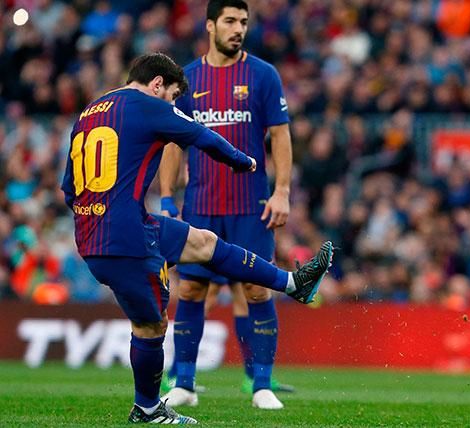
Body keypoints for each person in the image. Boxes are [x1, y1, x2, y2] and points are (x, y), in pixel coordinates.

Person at [60, 52, 333, 424]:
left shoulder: (90, 112)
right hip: (124, 240)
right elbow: (202, 135)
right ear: (157, 84)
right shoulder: (148, 105)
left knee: (203, 242)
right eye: (173, 96)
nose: (173, 104)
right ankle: (148, 408)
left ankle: (293, 283)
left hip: (109, 229)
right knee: (151, 325)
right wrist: (243, 161)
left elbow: (69, 190)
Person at [158, 0, 294, 410]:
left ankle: (262, 385)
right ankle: (184, 383)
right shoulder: (188, 79)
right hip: (201, 203)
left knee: (256, 289)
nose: (238, 29)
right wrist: (166, 197)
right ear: (210, 25)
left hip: (250, 205)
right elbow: (172, 143)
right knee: (191, 288)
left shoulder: (263, 75)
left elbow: (280, 135)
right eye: (230, 21)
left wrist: (282, 191)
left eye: (244, 22)